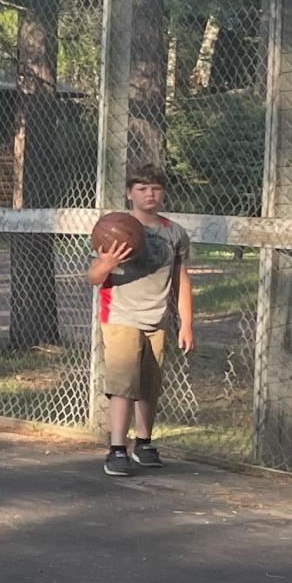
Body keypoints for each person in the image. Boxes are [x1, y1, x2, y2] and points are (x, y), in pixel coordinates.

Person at [86, 166, 194, 480]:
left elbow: (181, 280)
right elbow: (93, 277)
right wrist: (106, 263)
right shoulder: (114, 227)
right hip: (121, 316)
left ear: (163, 193)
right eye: (142, 188)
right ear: (129, 193)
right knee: (124, 384)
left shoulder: (174, 233)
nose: (150, 194)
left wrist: (186, 323)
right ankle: (117, 448)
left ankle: (143, 443)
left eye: (156, 188)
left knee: (149, 385)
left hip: (157, 318)